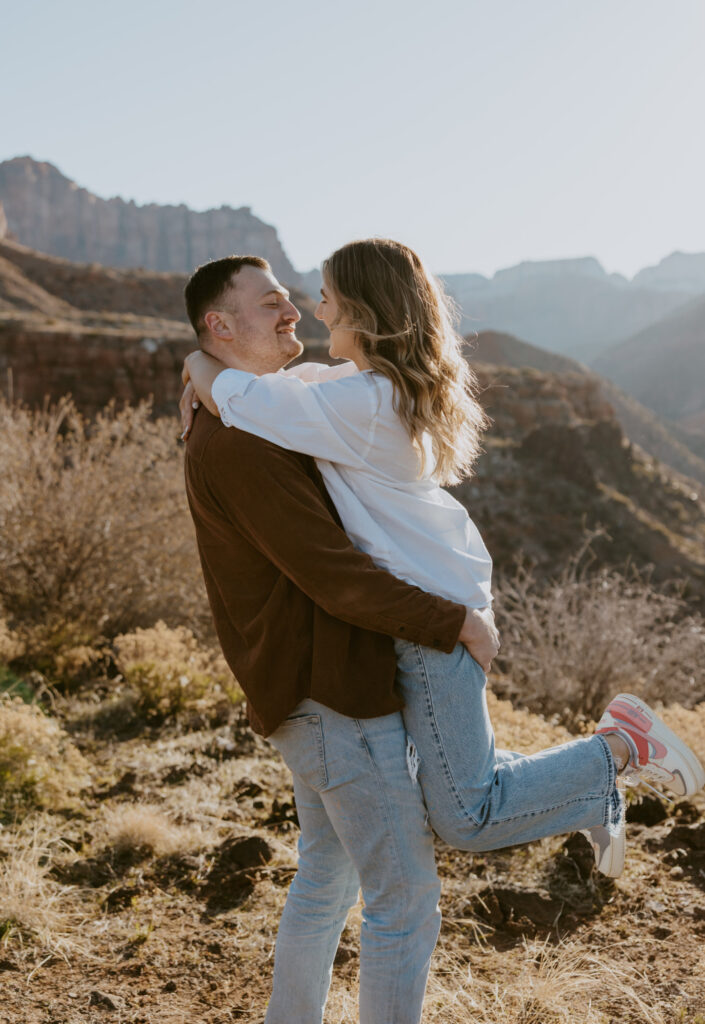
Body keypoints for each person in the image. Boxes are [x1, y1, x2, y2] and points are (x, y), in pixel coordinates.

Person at [181, 239, 705, 891]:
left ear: (359, 311)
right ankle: (590, 789)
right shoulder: (359, 388)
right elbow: (267, 390)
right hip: (422, 608)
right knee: (456, 779)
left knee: (464, 816)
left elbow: (238, 396)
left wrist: (194, 362)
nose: (312, 312)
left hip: (430, 618)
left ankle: (619, 749)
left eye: (324, 298)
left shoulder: (360, 404)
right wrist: (209, 373)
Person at [181, 253, 501, 1024]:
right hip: (331, 697)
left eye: (300, 300)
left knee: (327, 879)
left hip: (315, 689)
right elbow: (335, 576)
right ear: (221, 325)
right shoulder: (242, 442)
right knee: (404, 898)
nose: (295, 313)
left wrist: (196, 367)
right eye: (271, 305)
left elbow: (256, 391)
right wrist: (451, 620)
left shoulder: (261, 411)